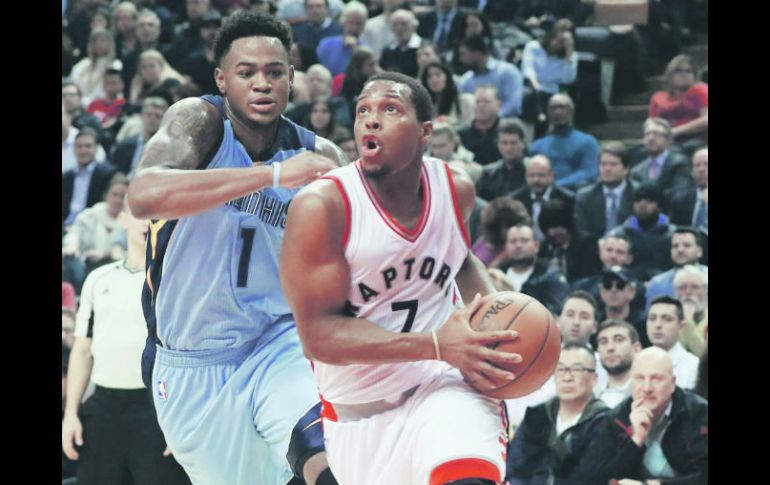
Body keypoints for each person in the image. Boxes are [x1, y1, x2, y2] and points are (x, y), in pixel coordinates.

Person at [127, 11, 345, 485]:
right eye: (247, 73)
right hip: (190, 362)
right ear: (223, 80)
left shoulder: (321, 158)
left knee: (328, 455)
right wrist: (270, 177)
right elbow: (143, 195)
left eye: (274, 72)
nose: (262, 83)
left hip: (277, 342)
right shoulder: (199, 122)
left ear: (292, 77)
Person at [280, 71, 519, 485]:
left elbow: (458, 260)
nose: (372, 120)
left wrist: (498, 321)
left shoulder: (455, 187)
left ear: (426, 131)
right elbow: (319, 338)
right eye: (363, 111)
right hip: (357, 410)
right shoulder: (323, 206)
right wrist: (438, 345)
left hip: (443, 386)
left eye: (390, 109)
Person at [61, 200, 190, 485]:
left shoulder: (178, 281)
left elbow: (189, 353)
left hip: (157, 410)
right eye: (141, 215)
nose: (147, 223)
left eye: (156, 217)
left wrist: (181, 418)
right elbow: (82, 350)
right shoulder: (97, 279)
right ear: (123, 219)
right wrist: (70, 414)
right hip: (102, 410)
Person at [590, 347, 708, 483]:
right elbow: (604, 478)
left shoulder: (700, 413)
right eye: (639, 378)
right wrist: (637, 440)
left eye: (656, 379)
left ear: (673, 383)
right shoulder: (615, 419)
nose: (647, 388)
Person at [507, 344, 609, 484]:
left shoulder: (604, 422)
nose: (567, 377)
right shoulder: (537, 416)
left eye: (577, 369)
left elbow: (591, 478)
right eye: (560, 369)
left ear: (595, 378)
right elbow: (516, 469)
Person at [529, 93, 600, 191]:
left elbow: (590, 173)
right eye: (553, 108)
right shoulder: (537, 146)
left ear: (571, 111)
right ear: (548, 112)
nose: (557, 112)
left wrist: (556, 186)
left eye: (562, 107)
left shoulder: (588, 142)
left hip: (575, 197)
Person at [497, 223, 570, 315]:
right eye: (513, 241)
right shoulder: (497, 276)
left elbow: (557, 311)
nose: (518, 245)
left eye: (524, 240)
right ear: (505, 247)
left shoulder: (551, 276)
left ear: (536, 246)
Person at [629, 118, 694, 212]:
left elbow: (680, 196)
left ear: (669, 140)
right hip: (643, 219)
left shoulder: (680, 164)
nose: (651, 138)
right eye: (647, 134)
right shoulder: (637, 171)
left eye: (656, 134)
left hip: (671, 217)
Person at [509, 154, 575, 242]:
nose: (536, 180)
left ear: (552, 176)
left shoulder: (568, 199)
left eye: (541, 175)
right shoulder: (515, 200)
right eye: (531, 176)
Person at [649, 54, 708, 147]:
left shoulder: (700, 90)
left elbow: (706, 119)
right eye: (679, 71)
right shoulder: (658, 97)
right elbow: (652, 124)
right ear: (670, 74)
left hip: (696, 141)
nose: (684, 74)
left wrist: (676, 131)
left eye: (689, 71)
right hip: (665, 142)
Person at [646, 296, 699, 390]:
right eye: (652, 318)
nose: (657, 325)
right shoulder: (637, 361)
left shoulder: (693, 366)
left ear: (682, 326)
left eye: (667, 319)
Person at [645, 227, 707, 307]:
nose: (680, 250)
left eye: (687, 245)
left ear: (699, 251)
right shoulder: (657, 283)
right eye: (675, 246)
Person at [110, 96, 169, 176]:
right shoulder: (124, 146)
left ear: (164, 119)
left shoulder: (168, 150)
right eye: (149, 114)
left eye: (158, 116)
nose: (152, 119)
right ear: (142, 116)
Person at [475, 118, 528, 202]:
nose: (509, 148)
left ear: (523, 144)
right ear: (498, 145)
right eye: (504, 143)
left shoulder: (532, 172)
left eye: (513, 143)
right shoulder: (488, 174)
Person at [595, 320, 642, 408]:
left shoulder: (645, 392)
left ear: (636, 349)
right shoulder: (590, 394)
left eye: (619, 340)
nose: (610, 348)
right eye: (603, 342)